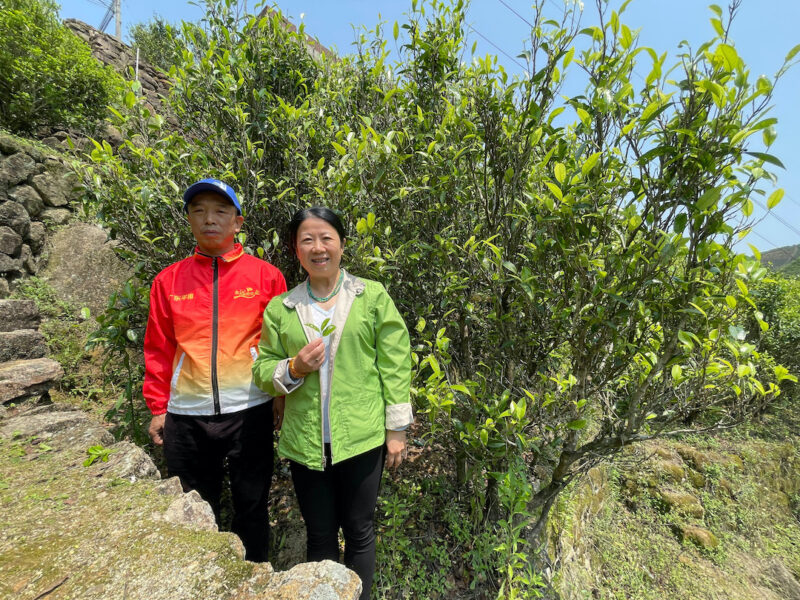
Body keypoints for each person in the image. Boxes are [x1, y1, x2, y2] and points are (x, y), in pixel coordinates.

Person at [252, 207, 412, 600]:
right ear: (296, 249)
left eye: (327, 238)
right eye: (307, 239)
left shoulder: (370, 297)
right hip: (306, 443)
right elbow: (262, 370)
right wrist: (294, 367)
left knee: (360, 529)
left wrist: (396, 429)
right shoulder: (282, 308)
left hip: (361, 436)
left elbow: (395, 363)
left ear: (341, 244)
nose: (318, 247)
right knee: (320, 533)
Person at [143, 178, 286, 562]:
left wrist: (279, 397)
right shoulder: (168, 281)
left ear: (237, 222)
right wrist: (158, 407)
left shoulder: (266, 277)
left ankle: (255, 577)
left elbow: (278, 346)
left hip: (250, 410)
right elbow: (159, 347)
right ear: (188, 219)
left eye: (221, 211)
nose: (210, 219)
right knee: (194, 509)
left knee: (252, 506)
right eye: (199, 211)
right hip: (186, 416)